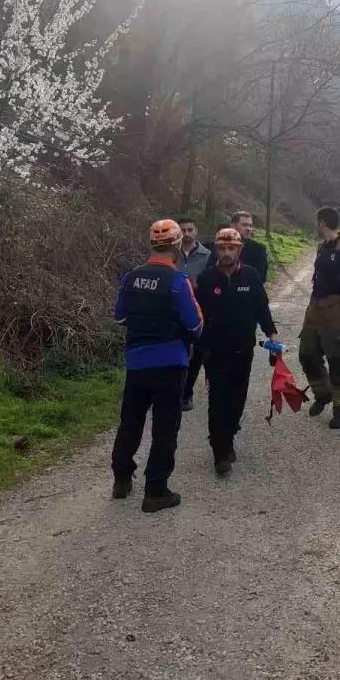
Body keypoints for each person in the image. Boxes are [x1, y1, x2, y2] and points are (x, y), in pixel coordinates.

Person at [111, 219, 204, 513]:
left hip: (137, 361)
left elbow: (120, 317)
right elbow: (196, 324)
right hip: (170, 361)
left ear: (151, 244)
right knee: (165, 427)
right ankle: (155, 490)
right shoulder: (178, 281)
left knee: (131, 422)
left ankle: (122, 480)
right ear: (177, 245)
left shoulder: (130, 277)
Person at [194, 228, 278, 475]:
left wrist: (272, 334)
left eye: (232, 248)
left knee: (238, 398)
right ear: (216, 250)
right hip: (215, 351)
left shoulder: (250, 276)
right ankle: (220, 452)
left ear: (240, 249)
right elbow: (197, 315)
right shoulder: (207, 279)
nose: (227, 252)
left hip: (244, 349)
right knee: (217, 398)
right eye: (222, 248)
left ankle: (229, 436)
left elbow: (262, 310)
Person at [300, 206, 340, 428]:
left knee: (337, 360)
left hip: (337, 308)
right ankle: (323, 394)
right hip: (315, 307)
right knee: (307, 354)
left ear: (322, 222)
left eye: (317, 222)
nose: (315, 225)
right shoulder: (321, 248)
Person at [177, 216, 213, 413]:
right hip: (174, 312)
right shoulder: (172, 254)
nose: (187, 234)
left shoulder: (207, 255)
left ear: (196, 231)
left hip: (200, 311)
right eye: (183, 230)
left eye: (190, 230)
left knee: (197, 355)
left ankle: (187, 393)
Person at [231, 210, 269, 284]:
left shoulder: (259, 249)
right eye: (244, 225)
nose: (248, 229)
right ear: (233, 226)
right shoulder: (220, 247)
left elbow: (261, 278)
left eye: (250, 226)